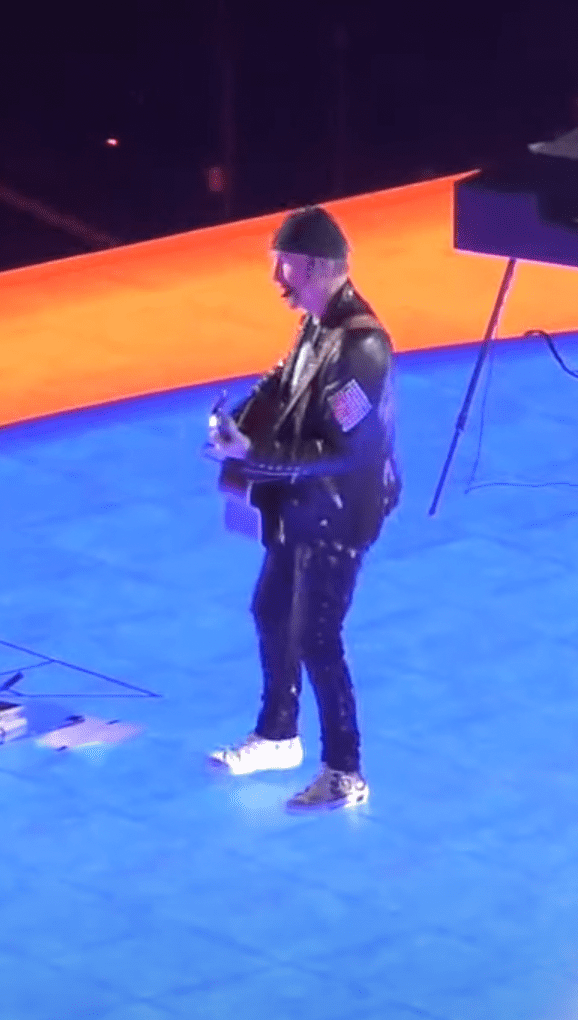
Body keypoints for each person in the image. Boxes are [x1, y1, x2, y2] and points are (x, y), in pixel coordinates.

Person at [204, 205, 401, 811]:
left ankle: (345, 771)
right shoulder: (317, 326)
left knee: (317, 636)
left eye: (284, 266)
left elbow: (349, 450)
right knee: (270, 611)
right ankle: (277, 735)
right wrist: (240, 424)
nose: (276, 280)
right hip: (301, 504)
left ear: (315, 267)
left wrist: (257, 455)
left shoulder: (361, 346)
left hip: (339, 512)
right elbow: (281, 384)